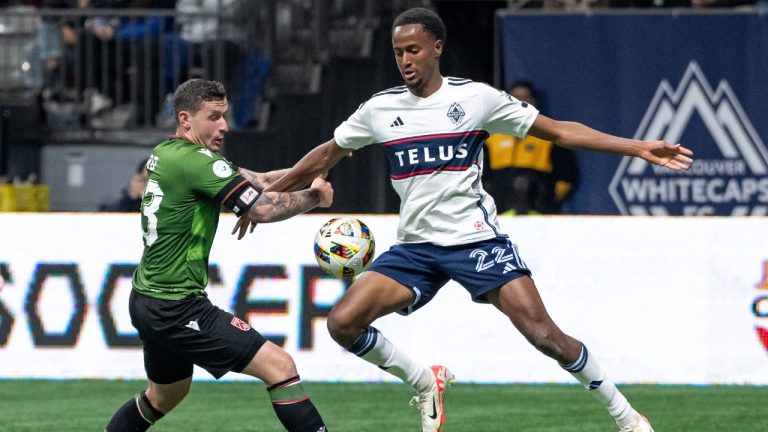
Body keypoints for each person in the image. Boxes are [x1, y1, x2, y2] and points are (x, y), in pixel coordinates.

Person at [234, 8, 692, 432]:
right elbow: (327, 153)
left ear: (437, 48)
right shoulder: (381, 109)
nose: (405, 61)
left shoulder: (475, 100)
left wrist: (636, 147)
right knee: (342, 323)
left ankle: (627, 416)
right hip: (415, 248)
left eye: (413, 50)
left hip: (475, 242)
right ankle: (424, 381)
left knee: (544, 335)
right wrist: (273, 192)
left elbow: (559, 132)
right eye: (397, 53)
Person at [104, 78, 332, 432]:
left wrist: (317, 169)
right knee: (280, 367)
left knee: (164, 397)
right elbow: (262, 210)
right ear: (185, 120)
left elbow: (259, 179)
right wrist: (316, 198)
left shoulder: (168, 154)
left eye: (225, 116)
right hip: (176, 306)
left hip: (148, 298)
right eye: (214, 116)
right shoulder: (198, 162)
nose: (224, 126)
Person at [484, 80, 579, 214]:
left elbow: (566, 176)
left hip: (537, 211)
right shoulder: (492, 135)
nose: (519, 102)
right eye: (514, 98)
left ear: (533, 101)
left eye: (524, 98)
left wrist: (548, 202)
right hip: (500, 211)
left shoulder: (548, 135)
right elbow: (482, 175)